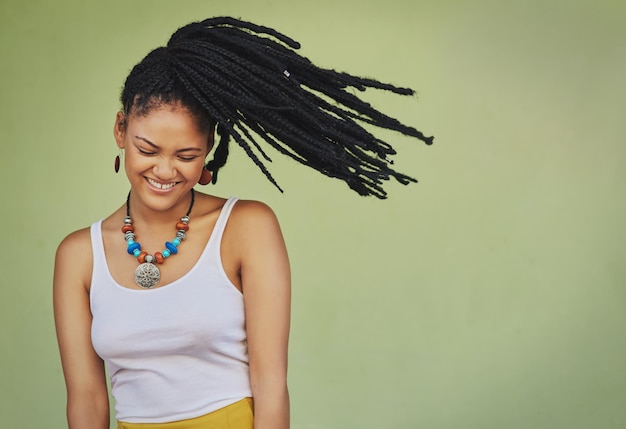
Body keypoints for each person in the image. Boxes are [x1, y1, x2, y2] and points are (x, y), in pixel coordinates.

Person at [53, 17, 433, 429]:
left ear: (209, 150)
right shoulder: (78, 256)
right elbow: (87, 401)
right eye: (148, 149)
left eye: (186, 155)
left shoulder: (247, 227)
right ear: (120, 130)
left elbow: (271, 387)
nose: (165, 171)